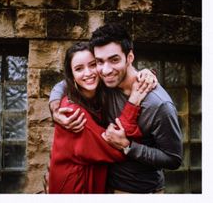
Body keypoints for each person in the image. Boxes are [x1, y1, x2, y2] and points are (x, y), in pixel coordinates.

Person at [49, 23, 182, 193]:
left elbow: (173, 159)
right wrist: (54, 110)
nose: (105, 70)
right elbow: (66, 83)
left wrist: (128, 146)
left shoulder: (158, 105)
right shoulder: (103, 82)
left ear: (130, 57)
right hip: (102, 186)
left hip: (138, 191)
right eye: (99, 62)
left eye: (114, 60)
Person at [48, 42, 153, 194]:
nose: (88, 73)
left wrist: (144, 74)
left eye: (92, 65)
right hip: (76, 188)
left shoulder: (99, 94)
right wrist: (134, 100)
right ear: (71, 75)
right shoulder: (73, 114)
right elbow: (115, 148)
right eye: (79, 69)